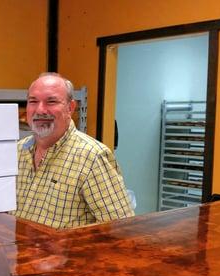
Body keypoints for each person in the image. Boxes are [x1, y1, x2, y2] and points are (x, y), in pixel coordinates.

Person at [12, 73, 134, 229]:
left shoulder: (92, 157)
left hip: (65, 253)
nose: (40, 110)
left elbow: (121, 229)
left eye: (51, 101)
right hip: (19, 251)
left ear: (70, 108)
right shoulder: (17, 152)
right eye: (33, 101)